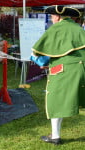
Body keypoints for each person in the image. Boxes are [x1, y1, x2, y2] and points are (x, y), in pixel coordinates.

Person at [31, 5, 85, 145]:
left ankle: (55, 136)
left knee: (55, 100)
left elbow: (39, 55)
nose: (52, 19)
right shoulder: (79, 28)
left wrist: (35, 58)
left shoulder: (56, 28)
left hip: (63, 70)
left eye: (53, 16)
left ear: (58, 16)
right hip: (82, 68)